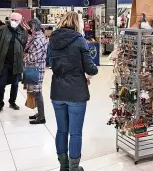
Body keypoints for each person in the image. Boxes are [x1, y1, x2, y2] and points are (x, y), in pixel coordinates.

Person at [50, 11, 98, 171]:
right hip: (76, 91)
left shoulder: (53, 39)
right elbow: (91, 68)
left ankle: (63, 166)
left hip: (57, 91)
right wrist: (88, 76)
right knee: (75, 133)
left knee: (61, 130)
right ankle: (74, 167)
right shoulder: (80, 40)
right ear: (77, 23)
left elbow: (50, 63)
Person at [0, 12, 28, 114]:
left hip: (17, 63)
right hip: (4, 62)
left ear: (20, 21)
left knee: (15, 84)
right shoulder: (2, 29)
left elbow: (24, 44)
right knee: (1, 84)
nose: (13, 22)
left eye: (15, 20)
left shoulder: (23, 32)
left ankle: (12, 102)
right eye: (11, 20)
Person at [23, 19, 48, 125]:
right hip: (35, 67)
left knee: (37, 92)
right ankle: (39, 113)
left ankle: (42, 117)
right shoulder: (37, 36)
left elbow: (34, 56)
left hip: (36, 68)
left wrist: (24, 58)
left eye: (30, 27)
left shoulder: (38, 39)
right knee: (35, 91)